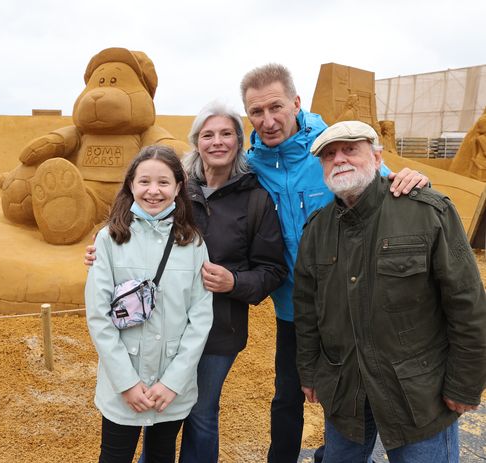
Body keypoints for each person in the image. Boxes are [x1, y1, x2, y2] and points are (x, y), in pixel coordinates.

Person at [240, 63, 429, 463]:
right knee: (288, 393)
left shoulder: (331, 150)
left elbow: (386, 185)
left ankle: (333, 453)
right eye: (256, 112)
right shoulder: (250, 167)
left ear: (296, 102)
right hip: (296, 307)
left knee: (348, 392)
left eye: (276, 107)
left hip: (352, 302)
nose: (268, 121)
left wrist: (412, 179)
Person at [87, 102, 288, 462]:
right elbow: (102, 306)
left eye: (227, 133)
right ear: (196, 142)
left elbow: (271, 270)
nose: (217, 141)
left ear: (241, 141)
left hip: (216, 327)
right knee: (136, 432)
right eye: (208, 134)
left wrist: (234, 281)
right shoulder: (181, 190)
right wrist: (103, 253)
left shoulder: (254, 198)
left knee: (200, 415)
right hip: (143, 343)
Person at [293, 120, 486, 462]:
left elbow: (467, 303)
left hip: (418, 394)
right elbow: (307, 309)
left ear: (378, 157)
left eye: (350, 150)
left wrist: (465, 383)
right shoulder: (317, 230)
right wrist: (309, 372)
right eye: (329, 155)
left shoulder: (427, 212)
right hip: (345, 391)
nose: (339, 159)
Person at [85, 145, 214, 463]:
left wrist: (173, 382)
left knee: (161, 455)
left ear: (178, 188)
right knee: (115, 455)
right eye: (144, 182)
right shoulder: (110, 238)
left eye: (163, 182)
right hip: (122, 381)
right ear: (130, 184)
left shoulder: (193, 243)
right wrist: (126, 383)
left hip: (171, 384)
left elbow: (200, 317)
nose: (153, 191)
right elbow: (98, 316)